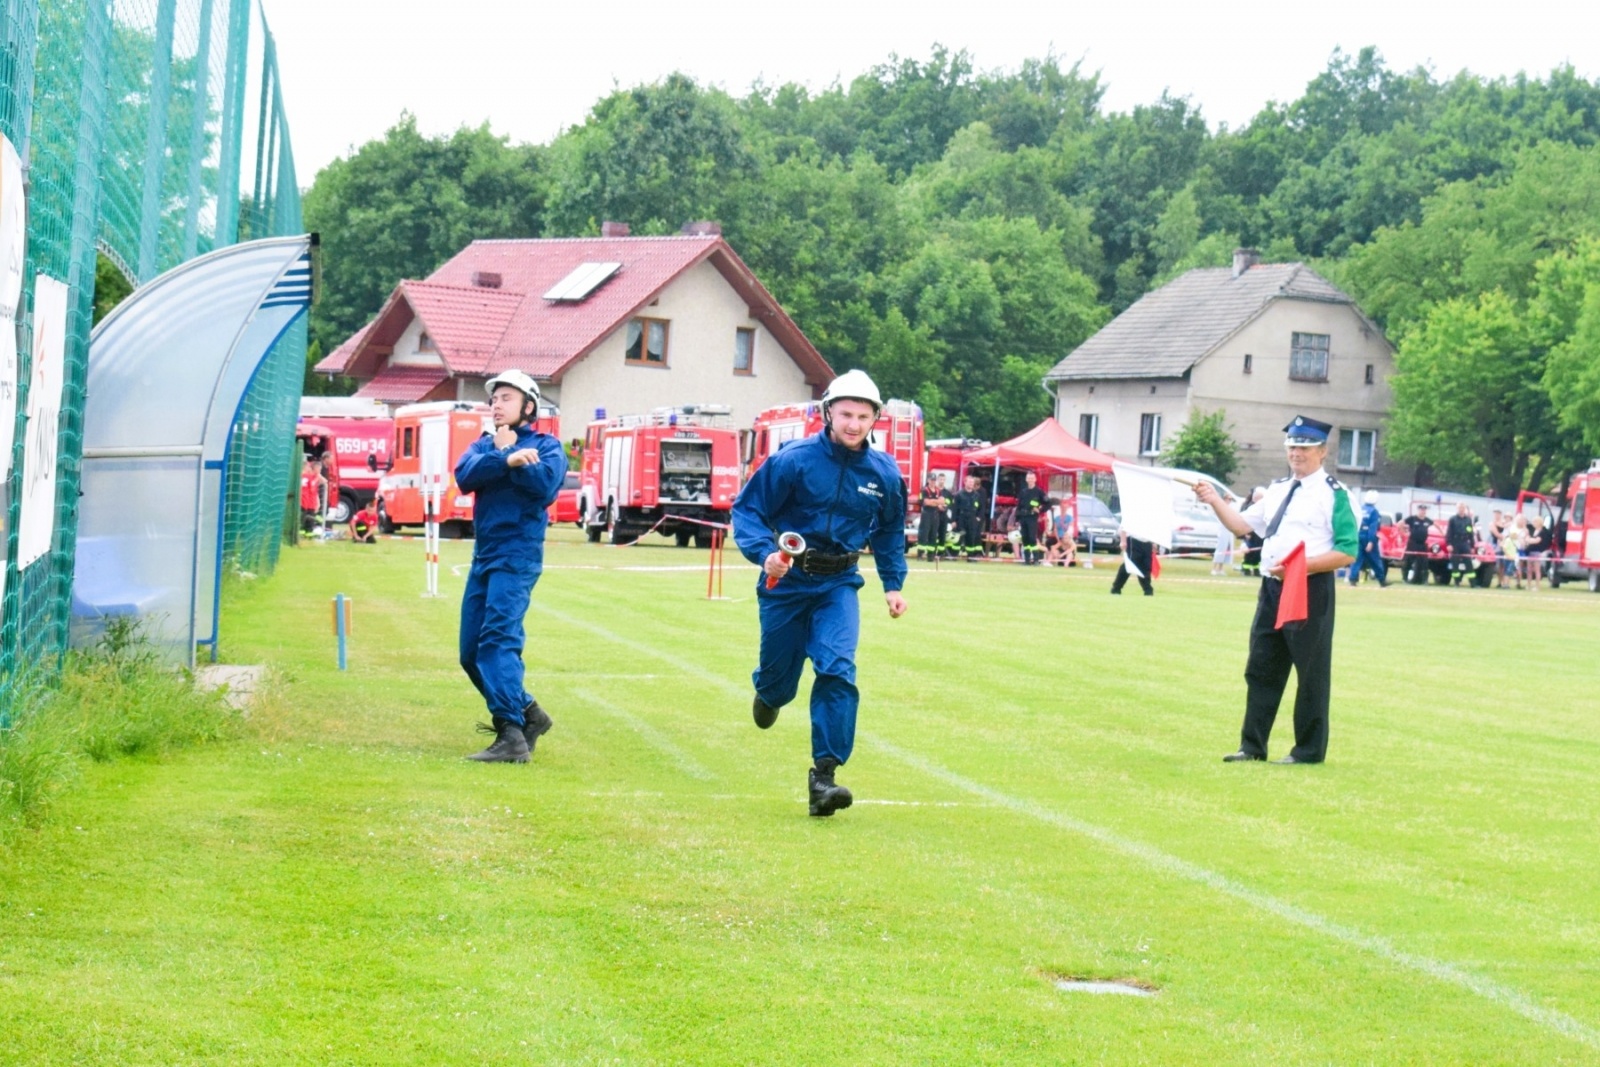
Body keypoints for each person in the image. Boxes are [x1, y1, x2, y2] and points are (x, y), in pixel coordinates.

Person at [732, 370, 908, 818]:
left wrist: (893, 585)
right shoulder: (793, 459)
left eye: (863, 416)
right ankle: (769, 693)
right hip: (786, 583)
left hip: (839, 584)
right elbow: (748, 511)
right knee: (780, 681)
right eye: (846, 414)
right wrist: (764, 553)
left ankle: (824, 777)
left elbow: (888, 532)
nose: (853, 423)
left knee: (838, 669)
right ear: (828, 411)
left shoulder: (884, 473)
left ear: (875, 420)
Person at [1195, 415, 1357, 765]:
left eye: (1304, 447)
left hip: (1308, 587)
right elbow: (1242, 526)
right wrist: (1214, 500)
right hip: (1272, 587)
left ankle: (1308, 750)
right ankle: (1252, 746)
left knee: (1311, 671)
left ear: (1322, 452)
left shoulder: (1336, 496)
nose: (1296, 453)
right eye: (1291, 446)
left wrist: (1301, 567)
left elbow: (1347, 551)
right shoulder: (1278, 489)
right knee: (1262, 666)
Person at [456, 369, 568, 764]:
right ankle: (530, 714)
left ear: (528, 406)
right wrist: (507, 456)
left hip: (517, 555)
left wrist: (520, 461)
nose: (496, 405)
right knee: (470, 653)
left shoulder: (549, 446)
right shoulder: (485, 446)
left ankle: (511, 734)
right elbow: (464, 476)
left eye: (505, 398)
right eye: (493, 399)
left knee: (497, 642)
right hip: (484, 556)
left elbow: (545, 487)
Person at [1348, 489, 1389, 587]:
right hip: (1368, 536)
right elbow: (1373, 527)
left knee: (1357, 558)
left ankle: (1353, 579)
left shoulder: (1360, 508)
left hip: (1358, 535)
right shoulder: (1374, 512)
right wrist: (1371, 541)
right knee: (1375, 559)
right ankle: (1382, 580)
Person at [1014, 471, 1050, 565]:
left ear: (1035, 479)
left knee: (1032, 538)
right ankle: (1026, 560)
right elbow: (1019, 506)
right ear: (1026, 479)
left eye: (1032, 478)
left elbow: (1048, 503)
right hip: (1023, 517)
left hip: (1032, 518)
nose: (1030, 480)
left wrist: (1040, 510)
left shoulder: (1039, 492)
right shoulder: (1023, 491)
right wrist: (1017, 519)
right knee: (1025, 539)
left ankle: (1036, 560)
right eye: (1028, 478)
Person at [1110, 528, 1155, 596]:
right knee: (1130, 564)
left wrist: (1154, 542)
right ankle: (1116, 588)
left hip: (1147, 542)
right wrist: (1123, 541)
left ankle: (1148, 590)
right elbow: (1124, 526)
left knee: (1146, 565)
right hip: (1133, 540)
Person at [952, 474, 986, 562]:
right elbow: (955, 508)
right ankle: (954, 556)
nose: (971, 484)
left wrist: (978, 517)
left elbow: (981, 508)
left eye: (972, 482)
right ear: (965, 482)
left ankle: (971, 557)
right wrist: (954, 520)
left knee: (971, 538)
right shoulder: (959, 495)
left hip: (972, 519)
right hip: (961, 518)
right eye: (969, 482)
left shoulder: (977, 495)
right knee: (959, 537)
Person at [915, 474, 950, 560]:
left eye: (934, 480)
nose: (933, 482)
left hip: (935, 514)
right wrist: (936, 502)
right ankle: (920, 554)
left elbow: (942, 501)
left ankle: (930, 555)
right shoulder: (924, 490)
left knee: (933, 535)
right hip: (926, 514)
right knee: (924, 534)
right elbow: (926, 502)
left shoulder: (938, 490)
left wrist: (934, 501)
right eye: (931, 480)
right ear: (928, 480)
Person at [1446, 502, 1477, 586]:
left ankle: (1472, 583)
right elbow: (1449, 533)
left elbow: (1470, 533)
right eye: (1460, 507)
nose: (1461, 509)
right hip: (1455, 543)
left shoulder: (1468, 519)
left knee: (1468, 562)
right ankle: (1457, 582)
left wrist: (1472, 546)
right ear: (1457, 508)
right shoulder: (1452, 519)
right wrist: (1449, 544)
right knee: (1455, 563)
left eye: (1463, 508)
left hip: (1464, 542)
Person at [1402, 504, 1433, 584]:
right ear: (1418, 510)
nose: (1423, 511)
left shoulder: (1427, 520)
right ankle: (1405, 579)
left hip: (1422, 544)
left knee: (1424, 563)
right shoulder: (1412, 519)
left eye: (1424, 510)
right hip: (1412, 543)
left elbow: (1437, 525)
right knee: (1408, 562)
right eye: (1422, 509)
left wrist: (1443, 533)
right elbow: (1399, 524)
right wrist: (1403, 533)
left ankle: (1424, 580)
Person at [1239, 487, 1265, 577]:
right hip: (1250, 534)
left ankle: (1256, 569)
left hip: (1259, 535)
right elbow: (1244, 520)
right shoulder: (1248, 506)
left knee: (1258, 552)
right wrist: (1246, 534)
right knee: (1249, 552)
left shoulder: (1262, 506)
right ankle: (1245, 569)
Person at [299, 457, 325, 533]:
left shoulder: (302, 476)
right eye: (308, 467)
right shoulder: (309, 477)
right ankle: (307, 531)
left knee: (304, 517)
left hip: (305, 501)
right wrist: (317, 477)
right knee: (307, 518)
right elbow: (312, 488)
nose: (309, 468)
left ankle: (304, 531)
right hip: (306, 501)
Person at [1526, 514, 1553, 589]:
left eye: (1535, 521)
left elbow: (1537, 541)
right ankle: (1528, 585)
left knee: (1537, 570)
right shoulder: (1533, 530)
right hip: (1530, 552)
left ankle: (1537, 586)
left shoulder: (1543, 531)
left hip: (1537, 552)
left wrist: (1529, 540)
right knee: (1529, 570)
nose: (1533, 523)